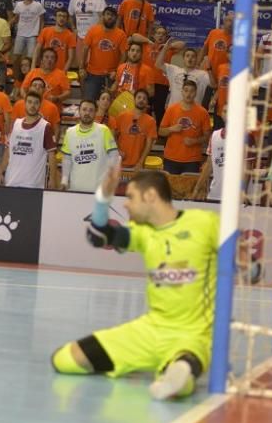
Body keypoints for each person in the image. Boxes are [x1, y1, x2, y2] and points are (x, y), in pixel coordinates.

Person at [51, 165, 220, 401]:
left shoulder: (204, 222)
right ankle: (167, 371)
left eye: (130, 197)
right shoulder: (142, 232)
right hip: (150, 330)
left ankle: (177, 373)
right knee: (65, 359)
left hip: (194, 335)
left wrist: (246, 262)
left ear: (150, 196)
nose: (126, 204)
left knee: (183, 368)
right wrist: (102, 198)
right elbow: (97, 237)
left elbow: (247, 263)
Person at [0, 89, 57, 189]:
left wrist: (52, 179)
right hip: (11, 181)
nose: (32, 106)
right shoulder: (15, 124)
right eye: (29, 102)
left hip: (33, 184)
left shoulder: (45, 127)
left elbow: (52, 155)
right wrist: (1, 171)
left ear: (40, 105)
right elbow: (8, 151)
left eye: (36, 103)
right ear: (24, 104)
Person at [60, 99, 119, 192]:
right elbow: (67, 159)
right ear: (79, 111)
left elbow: (114, 157)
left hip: (99, 190)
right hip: (76, 189)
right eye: (84, 109)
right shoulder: (70, 132)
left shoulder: (104, 130)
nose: (87, 113)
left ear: (95, 112)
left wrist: (110, 180)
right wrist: (64, 181)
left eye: (91, 110)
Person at [159, 79, 212, 179]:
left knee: (188, 191)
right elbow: (160, 131)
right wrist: (171, 129)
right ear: (182, 92)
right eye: (186, 90)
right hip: (171, 158)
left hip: (192, 160)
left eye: (192, 91)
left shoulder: (203, 112)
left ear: (195, 93)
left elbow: (207, 136)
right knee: (170, 189)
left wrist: (194, 141)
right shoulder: (171, 109)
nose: (188, 94)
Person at [79, 7, 129, 102]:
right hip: (92, 74)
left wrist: (117, 72)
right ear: (103, 16)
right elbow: (85, 49)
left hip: (111, 76)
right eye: (107, 14)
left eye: (112, 15)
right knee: (89, 102)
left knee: (110, 106)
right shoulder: (93, 31)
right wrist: (81, 67)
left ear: (116, 18)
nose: (110, 17)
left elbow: (124, 55)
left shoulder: (121, 34)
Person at [112, 88, 157, 171]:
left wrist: (140, 162)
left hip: (137, 165)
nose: (141, 100)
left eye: (144, 98)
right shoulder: (122, 116)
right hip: (119, 163)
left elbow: (148, 144)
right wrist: (117, 150)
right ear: (134, 100)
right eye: (139, 97)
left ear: (147, 102)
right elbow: (113, 136)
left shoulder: (150, 121)